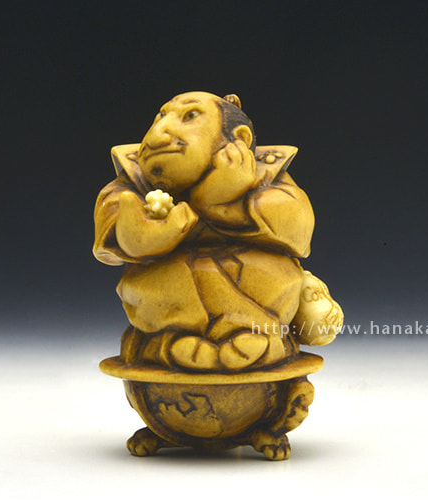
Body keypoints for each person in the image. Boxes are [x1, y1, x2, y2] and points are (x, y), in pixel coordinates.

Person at [94, 91, 321, 371]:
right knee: (159, 283)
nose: (160, 132)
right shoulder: (136, 181)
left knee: (278, 275)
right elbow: (111, 212)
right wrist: (141, 236)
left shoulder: (262, 172)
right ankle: (168, 344)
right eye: (161, 116)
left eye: (190, 116)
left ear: (238, 139)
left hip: (250, 285)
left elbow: (298, 223)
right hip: (170, 294)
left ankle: (250, 336)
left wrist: (225, 203)